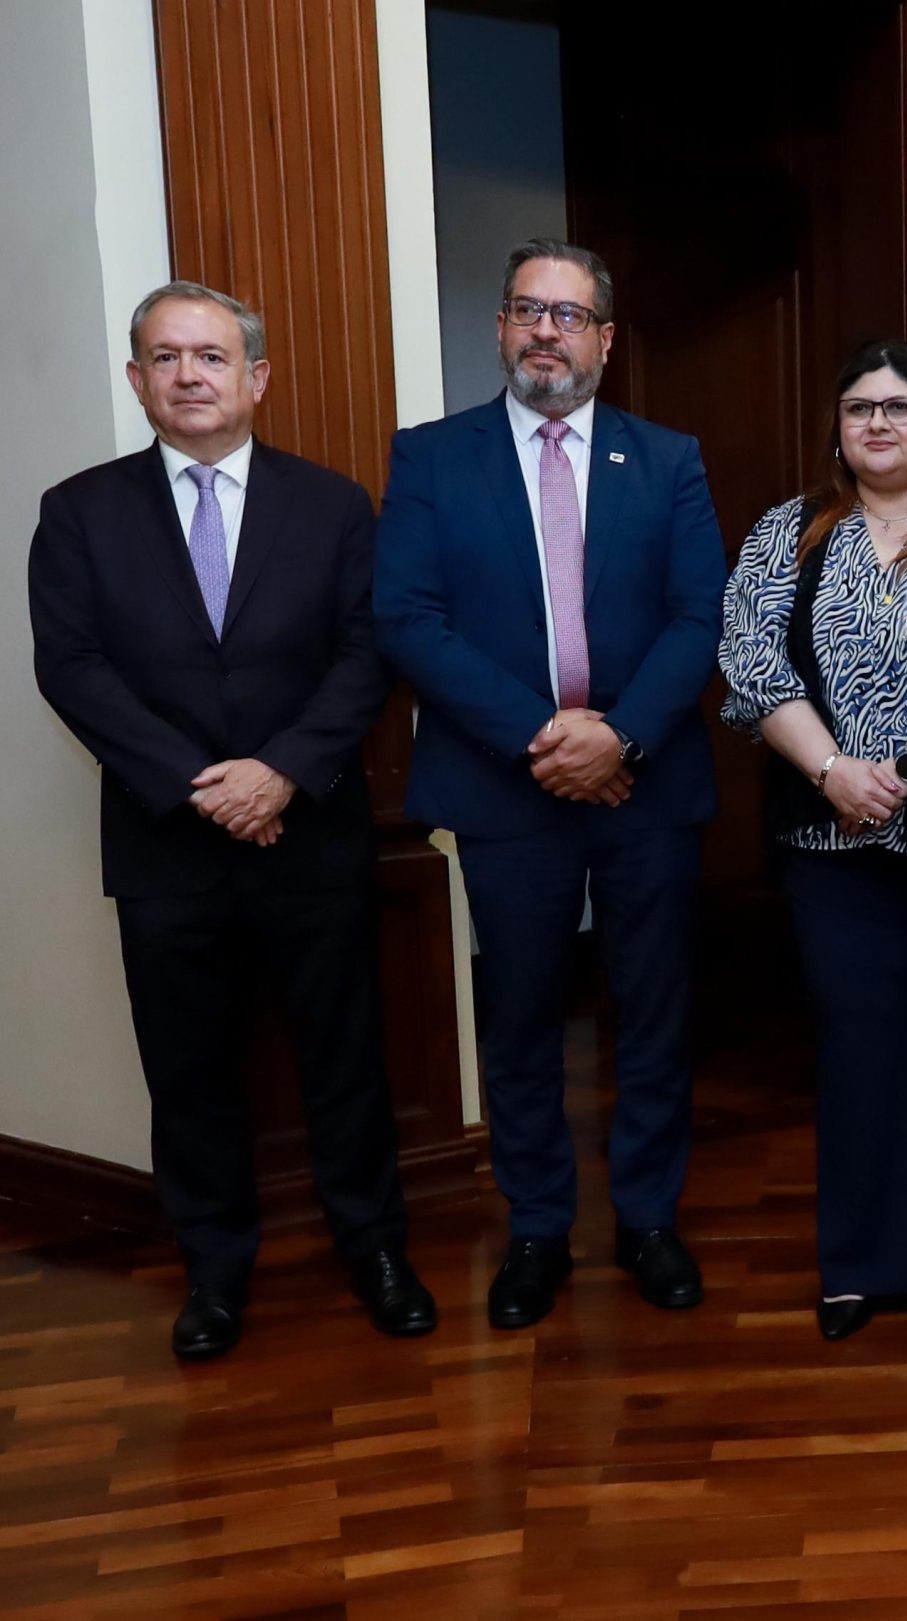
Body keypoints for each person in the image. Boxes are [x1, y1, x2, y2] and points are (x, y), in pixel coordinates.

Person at [28, 281, 433, 1359]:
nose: (190, 375)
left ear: (256, 378)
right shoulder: (78, 512)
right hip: (169, 846)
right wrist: (208, 784)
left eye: (212, 356)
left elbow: (366, 656)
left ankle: (376, 1250)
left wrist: (282, 774)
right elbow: (72, 669)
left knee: (345, 1057)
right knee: (189, 1070)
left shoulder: (336, 504)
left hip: (311, 834)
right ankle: (213, 1270)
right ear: (137, 380)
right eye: (166, 357)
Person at [375, 238, 727, 1329]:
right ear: (499, 327)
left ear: (605, 340)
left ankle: (648, 1219)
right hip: (503, 787)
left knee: (652, 1010)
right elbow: (407, 620)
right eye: (527, 310)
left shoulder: (667, 459)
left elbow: (699, 618)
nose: (545, 332)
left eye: (569, 316)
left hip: (645, 785)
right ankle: (536, 1227)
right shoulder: (432, 458)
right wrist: (549, 738)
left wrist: (616, 739)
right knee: (522, 1014)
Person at [717, 341, 907, 1340]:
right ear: (837, 430)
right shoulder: (786, 533)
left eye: (898, 406)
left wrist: (903, 773)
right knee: (859, 1036)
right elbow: (750, 662)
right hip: (824, 832)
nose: (878, 424)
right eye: (858, 409)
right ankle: (859, 1257)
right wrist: (833, 772)